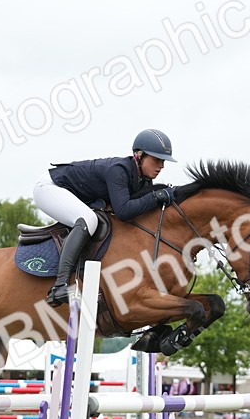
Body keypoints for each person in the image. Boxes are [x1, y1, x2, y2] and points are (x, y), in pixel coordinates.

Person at [33, 128, 178, 307]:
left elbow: (136, 207)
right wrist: (157, 197)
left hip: (72, 193)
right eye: (157, 160)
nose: (161, 166)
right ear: (139, 155)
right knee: (88, 220)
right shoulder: (119, 170)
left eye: (163, 161)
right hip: (49, 188)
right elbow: (124, 211)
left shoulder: (143, 180)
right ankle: (60, 285)